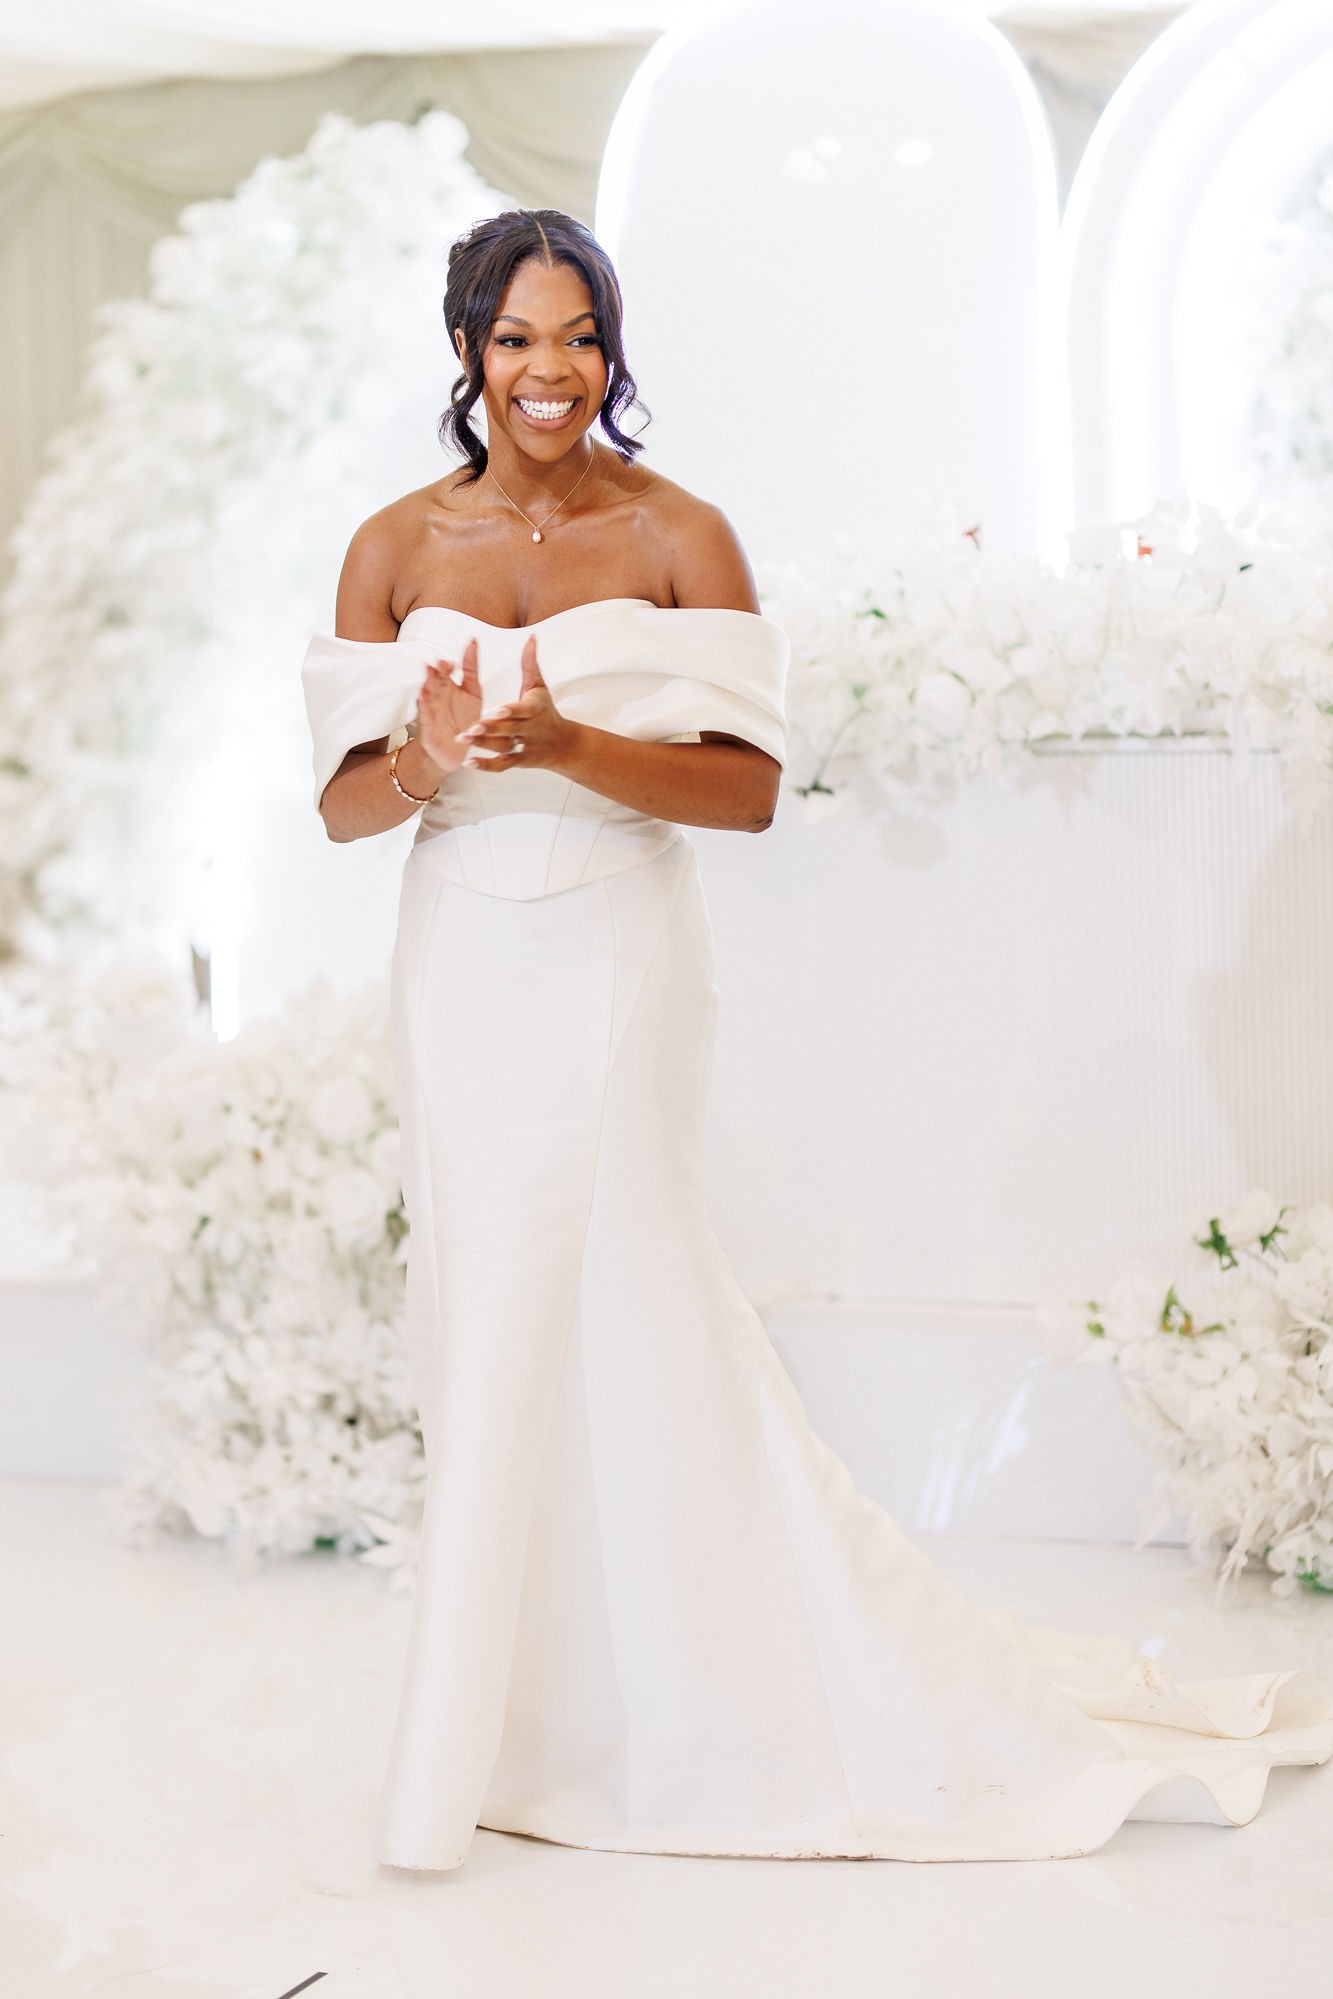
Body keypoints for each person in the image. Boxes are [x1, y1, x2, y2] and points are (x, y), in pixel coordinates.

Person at [302, 209, 1333, 1875]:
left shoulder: (679, 533)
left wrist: (564, 744)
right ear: (467, 349)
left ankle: (697, 1713)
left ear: (612, 349)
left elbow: (748, 790)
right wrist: (428, 762)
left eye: (579, 336)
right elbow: (348, 811)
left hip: (618, 944)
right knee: (479, 1309)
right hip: (461, 962)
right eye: (515, 338)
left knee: (629, 1293)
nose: (550, 371)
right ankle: (512, 1724)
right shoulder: (390, 547)